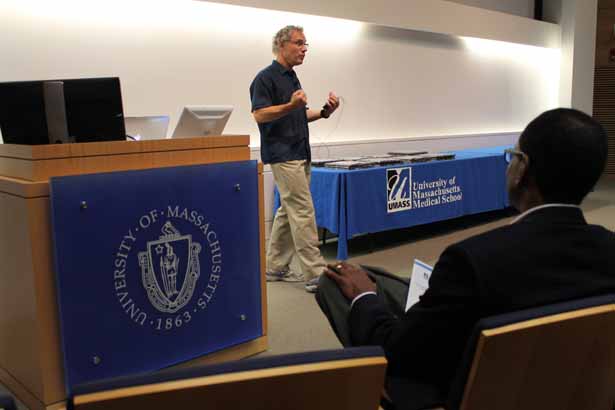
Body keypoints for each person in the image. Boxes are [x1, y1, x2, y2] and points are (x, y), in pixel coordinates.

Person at [316, 108, 615, 409]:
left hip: (452, 387)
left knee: (342, 284)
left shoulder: (472, 259)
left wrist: (365, 297)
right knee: (389, 281)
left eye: (513, 155)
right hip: (564, 387)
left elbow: (399, 351)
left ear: (522, 168)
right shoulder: (608, 247)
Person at [250, 25, 339, 293]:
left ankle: (274, 266)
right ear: (282, 45)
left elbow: (298, 114)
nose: (304, 49)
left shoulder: (292, 77)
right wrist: (290, 106)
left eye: (305, 44)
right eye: (299, 43)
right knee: (302, 211)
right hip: (282, 154)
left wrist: (324, 112)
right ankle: (315, 273)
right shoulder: (264, 78)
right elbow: (259, 114)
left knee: (288, 212)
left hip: (300, 152)